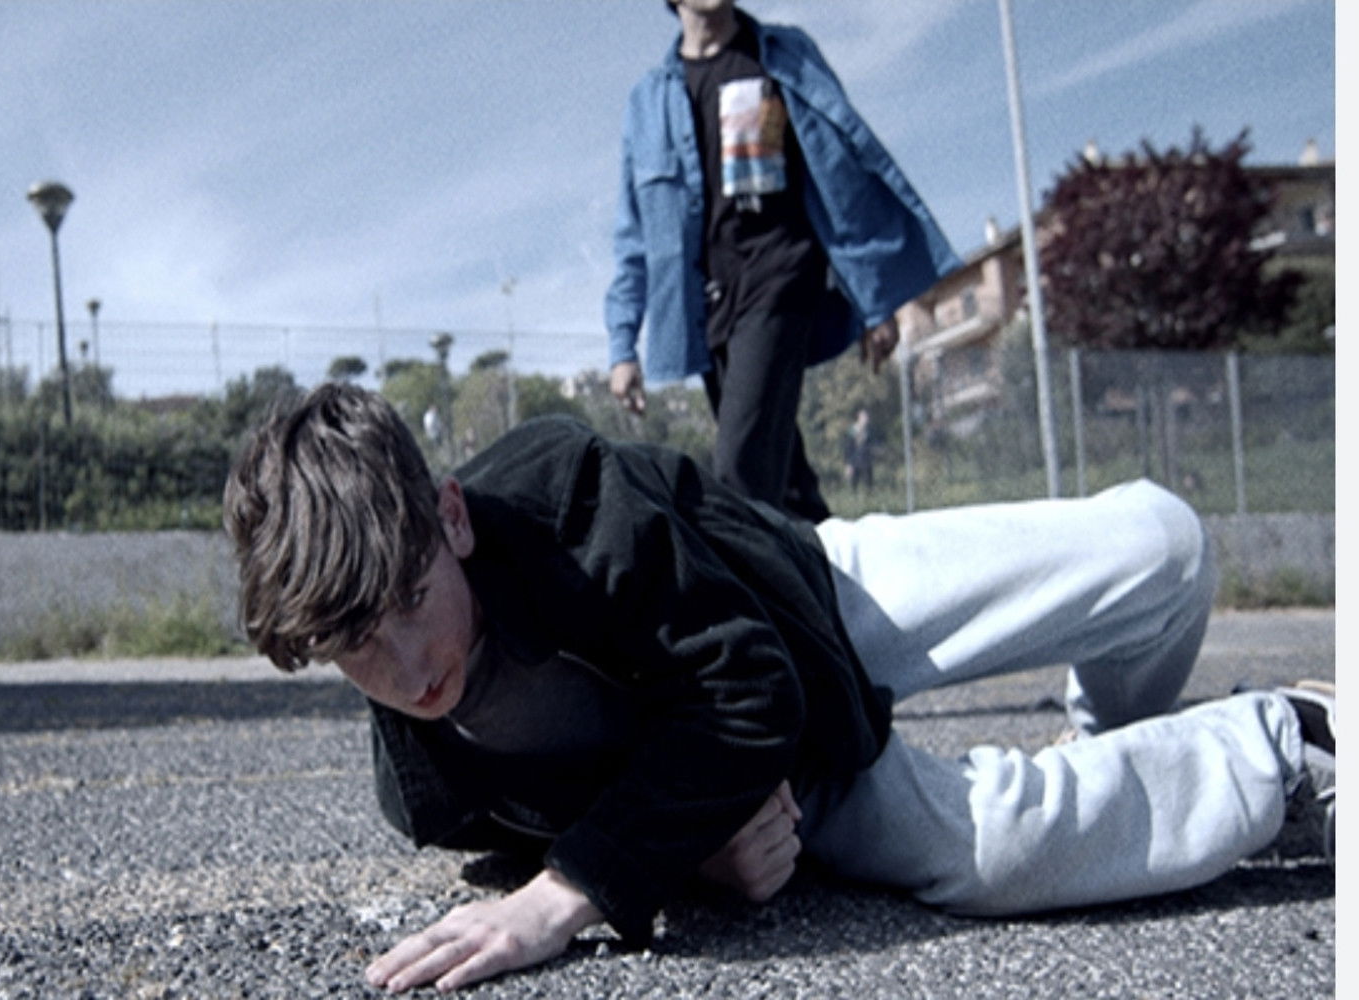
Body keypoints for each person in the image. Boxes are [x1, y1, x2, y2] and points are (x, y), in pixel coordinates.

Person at [223, 383, 1335, 994]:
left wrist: (567, 896)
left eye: (415, 598)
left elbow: (745, 682)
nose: (409, 667)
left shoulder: (565, 494)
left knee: (1162, 545)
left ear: (452, 518)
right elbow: (642, 798)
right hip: (778, 769)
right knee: (988, 850)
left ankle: (1129, 730)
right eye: (356, 644)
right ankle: (1290, 743)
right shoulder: (428, 791)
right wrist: (698, 859)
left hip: (802, 591)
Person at [605, 0, 960, 522]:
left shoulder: (785, 55)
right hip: (707, 305)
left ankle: (738, 575)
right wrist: (622, 345)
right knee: (786, 484)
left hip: (783, 275)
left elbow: (844, 177)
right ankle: (822, 561)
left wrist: (874, 297)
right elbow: (635, 231)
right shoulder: (648, 101)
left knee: (740, 470)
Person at [844, 408, 873, 492]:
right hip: (854, 462)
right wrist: (848, 465)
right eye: (864, 417)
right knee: (853, 486)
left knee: (868, 486)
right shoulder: (852, 431)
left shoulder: (869, 431)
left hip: (866, 462)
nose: (866, 419)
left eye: (867, 417)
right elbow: (848, 449)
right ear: (859, 418)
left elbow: (871, 446)